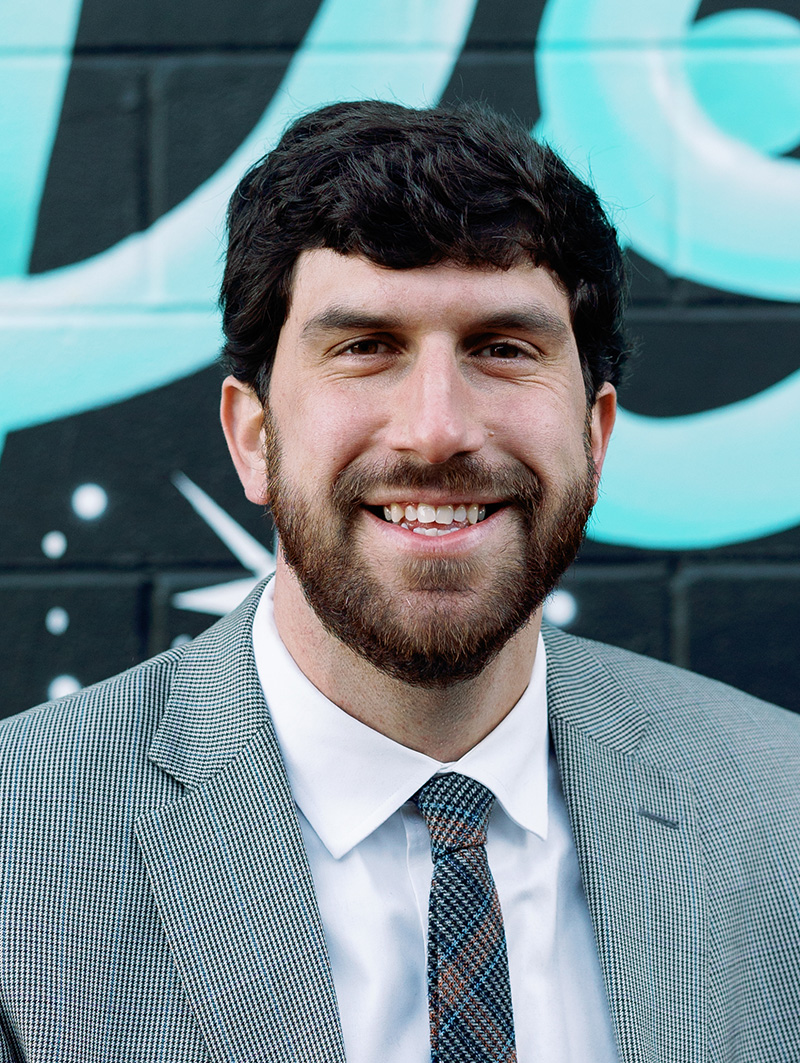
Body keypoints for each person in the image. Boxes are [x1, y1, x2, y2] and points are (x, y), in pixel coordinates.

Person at [1, 101, 799, 1063]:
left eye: (503, 348)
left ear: (595, 437)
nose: (436, 430)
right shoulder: (21, 844)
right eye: (365, 347)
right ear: (253, 437)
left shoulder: (778, 805)